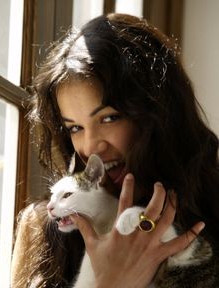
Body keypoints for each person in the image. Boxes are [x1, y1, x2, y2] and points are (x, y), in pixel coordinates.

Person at [11, 13, 219, 288]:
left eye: (109, 118)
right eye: (74, 128)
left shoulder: (213, 209)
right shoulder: (43, 225)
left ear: (159, 113)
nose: (90, 146)